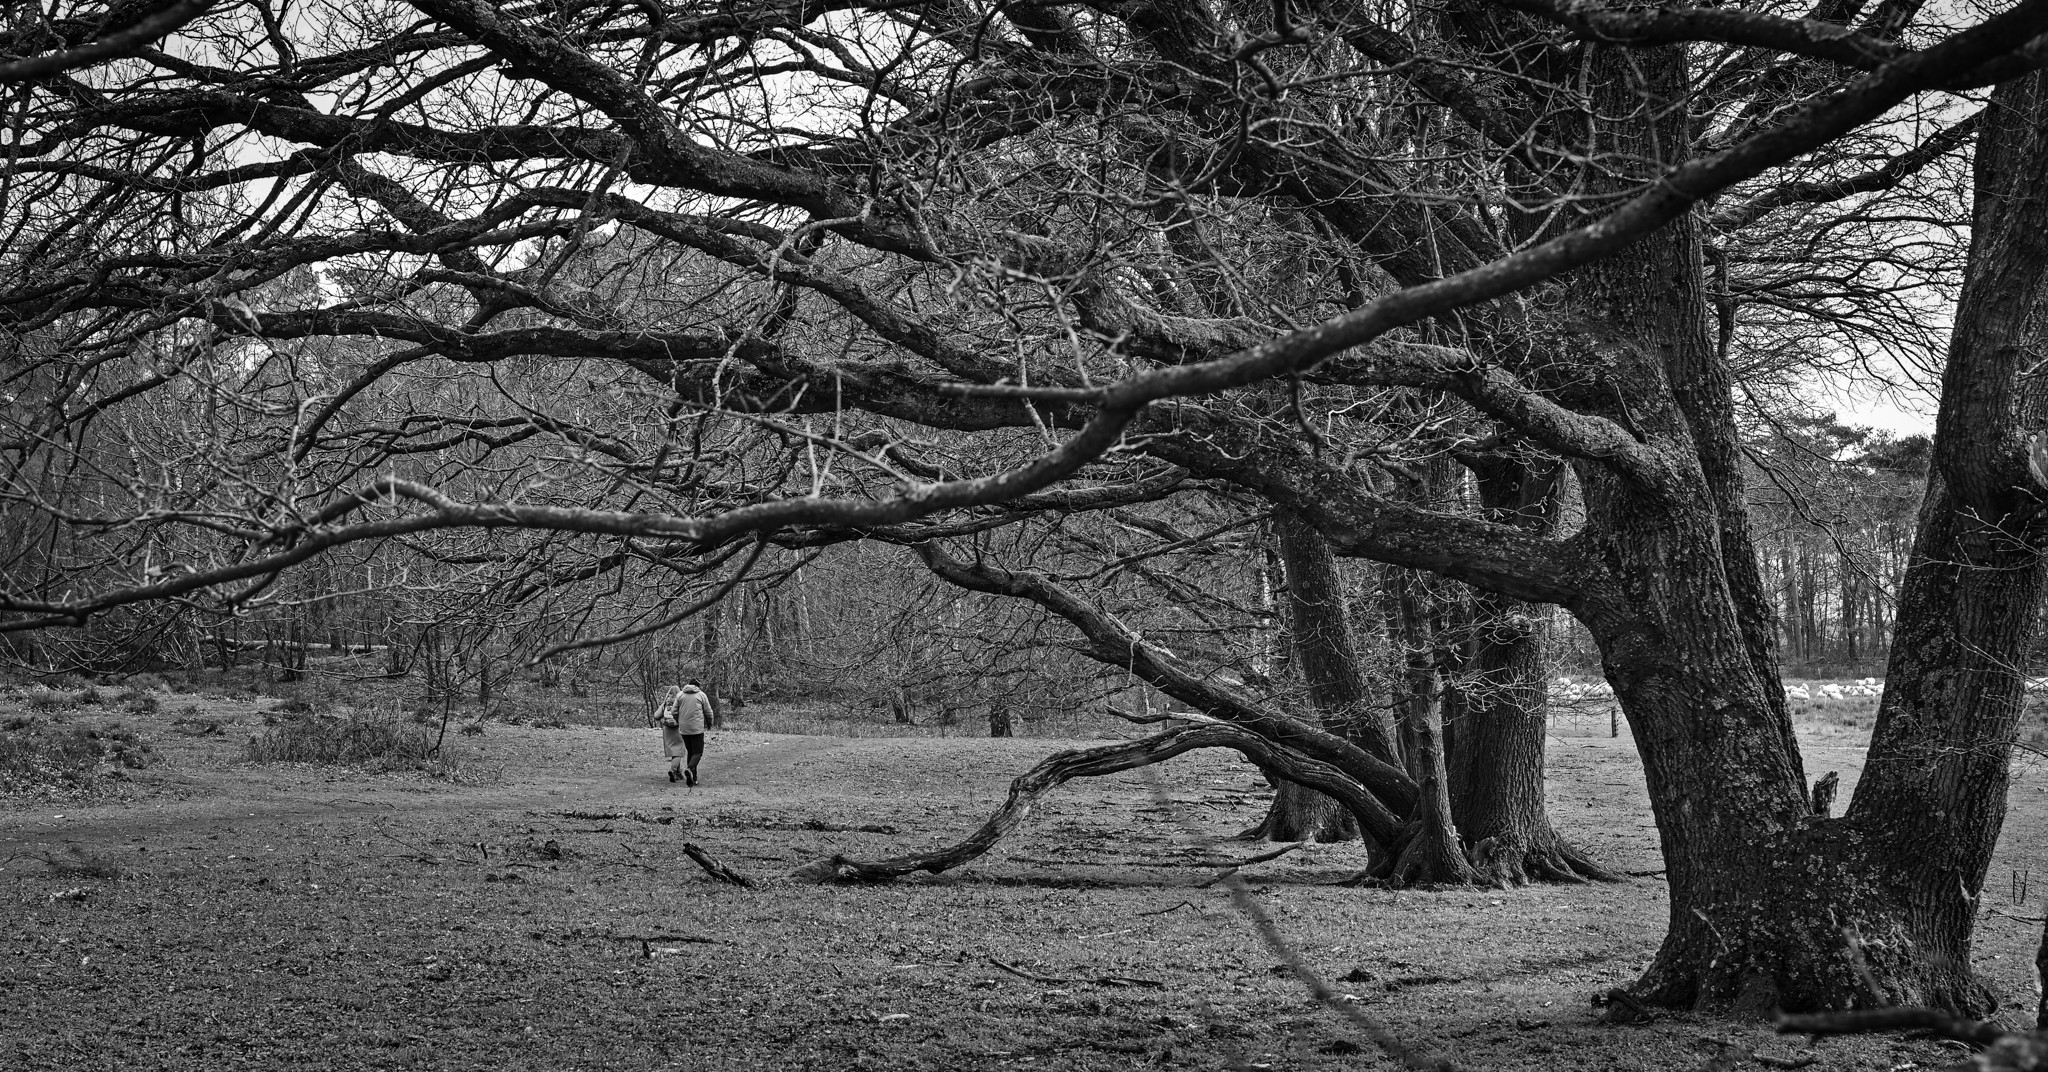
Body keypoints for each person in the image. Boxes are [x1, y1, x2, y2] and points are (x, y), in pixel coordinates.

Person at [657, 679, 713, 786]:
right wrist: (709, 723)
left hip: (684, 730)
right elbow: (708, 711)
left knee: (690, 752)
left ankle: (693, 779)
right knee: (698, 752)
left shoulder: (680, 695)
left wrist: (679, 721)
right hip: (697, 729)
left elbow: (674, 711)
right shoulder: (701, 695)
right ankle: (690, 769)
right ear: (697, 686)